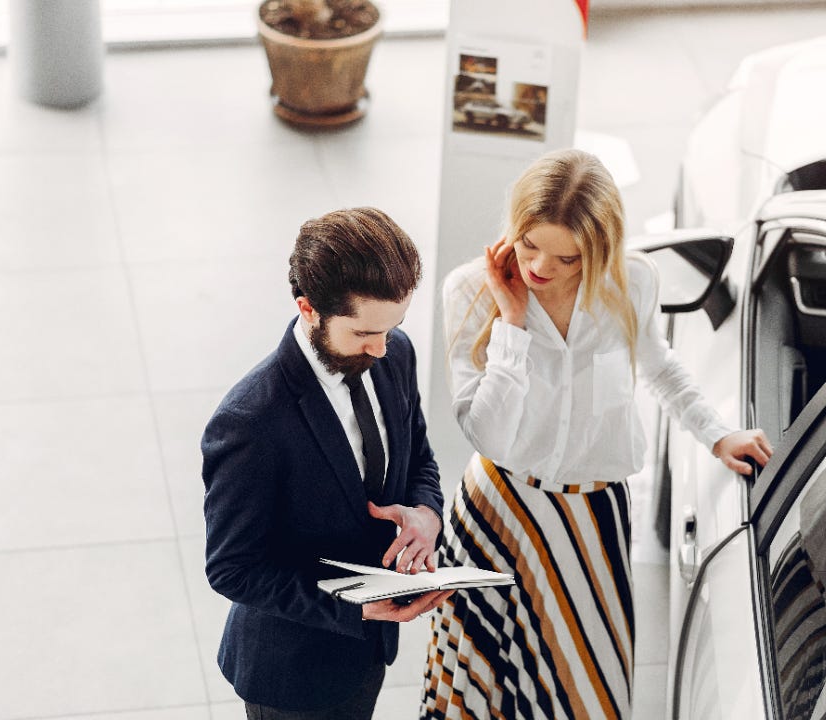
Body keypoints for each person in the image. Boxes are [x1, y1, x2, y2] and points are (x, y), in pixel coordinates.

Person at [421, 149, 773, 719]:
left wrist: (715, 433)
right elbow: (484, 433)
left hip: (592, 519)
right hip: (500, 510)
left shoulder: (631, 281)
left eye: (566, 257)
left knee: (587, 695)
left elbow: (656, 364)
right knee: (482, 696)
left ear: (597, 248)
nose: (539, 267)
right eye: (530, 243)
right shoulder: (470, 291)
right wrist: (512, 322)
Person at [202, 207, 451, 719]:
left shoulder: (394, 353)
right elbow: (232, 568)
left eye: (394, 326)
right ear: (309, 308)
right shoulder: (250, 421)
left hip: (365, 652)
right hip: (292, 673)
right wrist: (351, 606)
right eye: (363, 334)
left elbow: (420, 456)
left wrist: (426, 514)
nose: (381, 348)